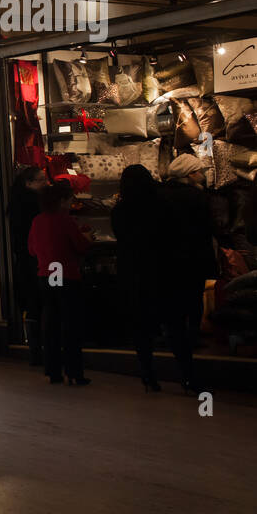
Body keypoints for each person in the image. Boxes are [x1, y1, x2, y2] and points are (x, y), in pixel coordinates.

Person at [159, 154, 219, 391]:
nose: (202, 175)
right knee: (193, 303)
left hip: (169, 265)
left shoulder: (160, 197)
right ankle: (190, 341)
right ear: (191, 174)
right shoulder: (197, 197)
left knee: (173, 310)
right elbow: (209, 228)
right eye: (199, 171)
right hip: (193, 262)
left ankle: (180, 350)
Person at [111, 165, 170, 392]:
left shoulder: (119, 211)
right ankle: (186, 374)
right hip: (158, 269)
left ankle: (147, 371)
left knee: (140, 324)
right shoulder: (160, 207)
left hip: (131, 271)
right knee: (168, 319)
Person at [28, 181, 92, 386]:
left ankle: (53, 369)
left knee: (51, 323)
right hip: (64, 274)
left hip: (46, 274)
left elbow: (31, 249)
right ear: (62, 201)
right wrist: (87, 237)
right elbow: (80, 246)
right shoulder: (65, 221)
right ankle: (74, 371)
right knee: (71, 324)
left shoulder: (38, 220)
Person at [7, 166, 49, 365]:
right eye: (40, 180)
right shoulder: (37, 207)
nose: (45, 183)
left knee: (33, 302)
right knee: (47, 299)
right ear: (29, 183)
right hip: (43, 261)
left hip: (27, 260)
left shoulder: (16, 203)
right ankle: (47, 348)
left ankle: (35, 350)